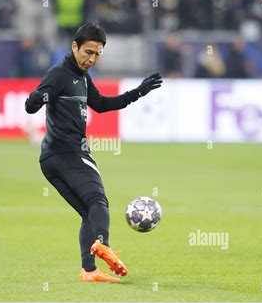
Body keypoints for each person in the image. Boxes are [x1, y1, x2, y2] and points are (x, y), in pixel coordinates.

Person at [25, 23, 162, 282]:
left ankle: (89, 271)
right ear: (74, 47)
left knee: (89, 212)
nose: (92, 59)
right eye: (88, 52)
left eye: (97, 54)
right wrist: (37, 99)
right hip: (69, 153)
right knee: (98, 200)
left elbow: (100, 104)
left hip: (52, 158)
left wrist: (138, 92)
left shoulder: (82, 77)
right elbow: (32, 104)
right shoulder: (59, 74)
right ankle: (103, 244)